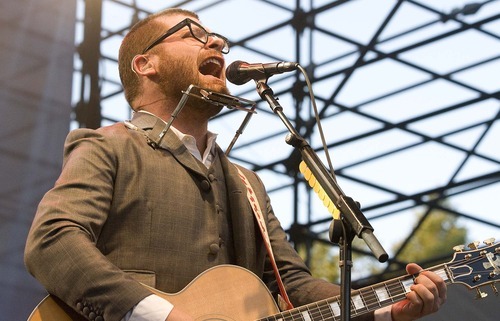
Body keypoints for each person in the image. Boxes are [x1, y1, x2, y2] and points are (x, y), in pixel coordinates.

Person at [24, 8, 446, 321]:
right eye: (192, 34)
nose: (216, 45)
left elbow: (293, 285)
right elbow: (53, 240)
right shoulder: (107, 146)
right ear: (145, 64)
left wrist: (386, 309)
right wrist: (161, 315)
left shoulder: (247, 183)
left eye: (218, 41)